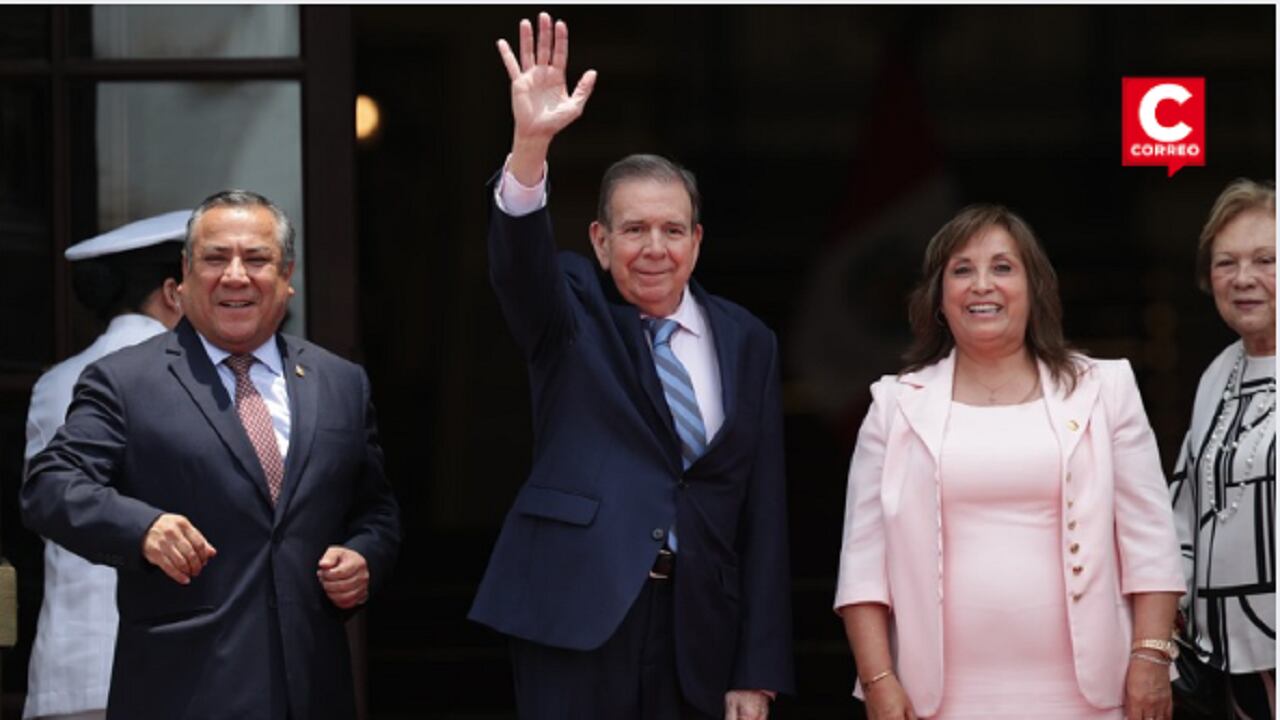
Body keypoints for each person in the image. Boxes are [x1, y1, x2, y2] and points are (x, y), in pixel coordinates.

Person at [468, 13, 793, 720]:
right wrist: (530, 148)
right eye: (635, 229)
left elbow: (762, 512)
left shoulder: (748, 340)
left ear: (697, 242)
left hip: (699, 627)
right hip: (577, 613)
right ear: (601, 240)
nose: (655, 247)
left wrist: (757, 666)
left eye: (672, 230)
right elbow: (517, 266)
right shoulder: (570, 308)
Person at [21, 190, 401, 720]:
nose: (236, 275)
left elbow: (375, 509)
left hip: (312, 690)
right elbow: (51, 487)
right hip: (181, 692)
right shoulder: (126, 380)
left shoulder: (339, 382)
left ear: (287, 276)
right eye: (216, 258)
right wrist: (142, 529)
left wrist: (364, 556)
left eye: (257, 259)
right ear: (184, 276)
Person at [834, 205, 1185, 720]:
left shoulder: (1105, 390)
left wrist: (1151, 656)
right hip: (935, 700)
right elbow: (863, 568)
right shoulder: (894, 405)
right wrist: (879, 681)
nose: (982, 285)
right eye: (962, 270)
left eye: (1002, 267)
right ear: (938, 297)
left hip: (1092, 695)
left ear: (1034, 288)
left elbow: (1150, 540)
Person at [24, 211, 187, 720]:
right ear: (174, 293)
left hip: (69, 669)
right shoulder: (189, 377)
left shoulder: (55, 383)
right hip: (168, 667)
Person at [1169, 179, 1275, 719]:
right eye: (1225, 262)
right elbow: (1188, 499)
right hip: (1227, 661)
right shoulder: (1220, 371)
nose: (1243, 279)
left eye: (1265, 260)